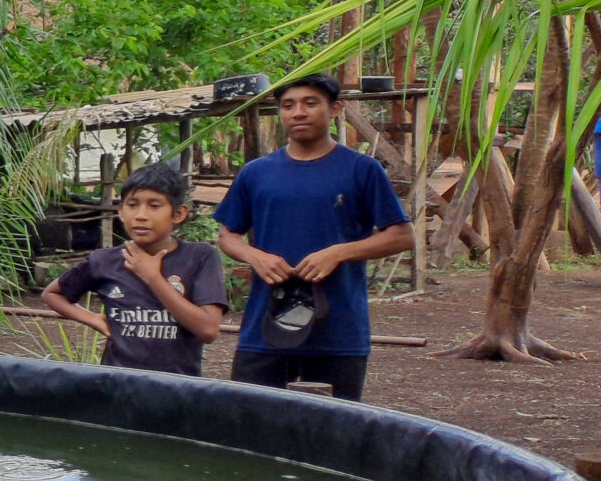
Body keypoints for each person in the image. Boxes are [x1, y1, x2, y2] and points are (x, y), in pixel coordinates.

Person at [215, 73, 413, 399]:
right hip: (265, 328)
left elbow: (402, 236)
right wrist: (255, 256)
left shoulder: (361, 169)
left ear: (335, 109)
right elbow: (228, 235)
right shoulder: (256, 173)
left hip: (338, 331)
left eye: (311, 103)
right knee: (252, 425)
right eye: (288, 105)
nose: (298, 113)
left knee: (332, 435)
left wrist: (338, 253)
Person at [39, 161, 228, 375]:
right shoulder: (105, 260)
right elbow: (52, 294)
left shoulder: (199, 257)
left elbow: (208, 330)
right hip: (118, 386)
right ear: (120, 211)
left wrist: (153, 277)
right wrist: (94, 319)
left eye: (154, 206)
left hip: (178, 390)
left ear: (178, 214)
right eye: (132, 205)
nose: (141, 215)